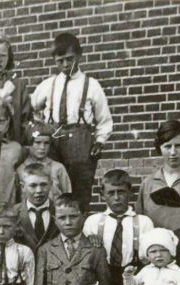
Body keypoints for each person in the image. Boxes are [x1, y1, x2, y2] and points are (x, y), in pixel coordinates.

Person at [31, 33, 113, 211]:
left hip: (80, 143)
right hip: (54, 140)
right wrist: (42, 127)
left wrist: (100, 141)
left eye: (70, 59)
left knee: (79, 192)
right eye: (60, 61)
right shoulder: (48, 85)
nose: (66, 65)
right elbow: (33, 109)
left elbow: (104, 119)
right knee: (53, 187)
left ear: (79, 56)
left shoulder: (91, 86)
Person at [33, 193, 111, 285]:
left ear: (83, 216)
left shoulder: (95, 249)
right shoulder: (46, 250)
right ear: (55, 219)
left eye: (73, 217)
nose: (68, 222)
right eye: (62, 218)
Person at [83, 169, 154, 285]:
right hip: (104, 279)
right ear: (103, 195)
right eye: (111, 193)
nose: (116, 198)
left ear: (130, 192)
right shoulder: (93, 222)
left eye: (121, 192)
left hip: (132, 277)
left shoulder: (144, 222)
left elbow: (149, 259)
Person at [135, 119, 180, 230]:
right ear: (159, 148)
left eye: (178, 146)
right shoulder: (148, 184)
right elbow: (140, 223)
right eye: (167, 146)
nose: (173, 152)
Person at [18, 122, 71, 201]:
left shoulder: (58, 168)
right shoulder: (21, 169)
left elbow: (67, 195)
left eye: (46, 143)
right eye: (38, 143)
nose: (42, 147)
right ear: (29, 144)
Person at [14, 164, 59, 255]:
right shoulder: (13, 213)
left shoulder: (60, 211)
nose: (39, 190)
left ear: (51, 184)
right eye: (33, 186)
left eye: (43, 185)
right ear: (23, 187)